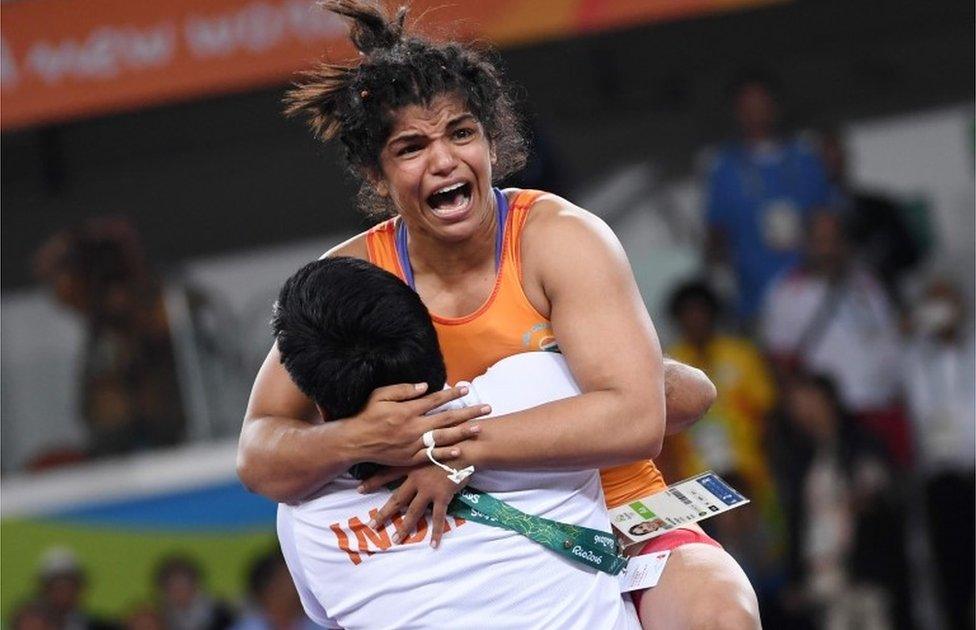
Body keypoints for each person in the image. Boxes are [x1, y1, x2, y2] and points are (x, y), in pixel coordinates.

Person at [238, 2, 759, 627]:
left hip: (621, 511)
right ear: (377, 176)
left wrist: (449, 451)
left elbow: (638, 419)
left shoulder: (558, 236)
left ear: (491, 142)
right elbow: (259, 453)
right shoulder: (352, 278)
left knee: (721, 614)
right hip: (475, 540)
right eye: (411, 147)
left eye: (461, 133)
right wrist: (364, 438)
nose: (444, 160)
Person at [273, 256, 641, 628]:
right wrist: (459, 446)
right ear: (434, 343)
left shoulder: (304, 517)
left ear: (318, 403)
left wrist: (458, 451)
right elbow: (665, 400)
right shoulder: (538, 386)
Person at [760, 211, 908, 466]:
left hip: (881, 405)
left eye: (834, 240)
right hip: (835, 418)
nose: (828, 249)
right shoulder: (789, 293)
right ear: (807, 244)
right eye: (820, 241)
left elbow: (889, 340)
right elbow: (781, 364)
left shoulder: (868, 285)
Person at [34, 218, 186, 458]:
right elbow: (48, 271)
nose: (116, 295)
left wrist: (128, 251)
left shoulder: (153, 296)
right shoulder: (92, 300)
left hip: (162, 425)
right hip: (111, 437)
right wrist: (80, 238)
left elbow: (173, 321)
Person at [773, 373, 909, 630]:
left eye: (806, 401)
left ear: (826, 400)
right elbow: (798, 521)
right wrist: (796, 576)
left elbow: (880, 493)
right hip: (824, 577)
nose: (801, 411)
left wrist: (865, 498)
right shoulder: (800, 459)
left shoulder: (861, 443)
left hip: (865, 572)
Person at [704, 72, 830, 321]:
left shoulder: (805, 158)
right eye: (747, 107)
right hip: (757, 300)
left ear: (775, 106)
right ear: (736, 112)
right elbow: (716, 236)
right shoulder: (725, 169)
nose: (756, 113)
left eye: (761, 104)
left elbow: (826, 221)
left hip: (814, 294)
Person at [902, 279, 975, 630]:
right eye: (933, 303)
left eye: (947, 302)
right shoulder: (913, 358)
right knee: (953, 573)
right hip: (942, 479)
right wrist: (911, 329)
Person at [230, 549, 317, 630]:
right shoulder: (247, 627)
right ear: (268, 589)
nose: (293, 588)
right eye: (283, 582)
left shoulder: (318, 623)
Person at [153, 554, 236, 630]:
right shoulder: (159, 618)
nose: (179, 592)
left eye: (183, 585)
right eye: (172, 588)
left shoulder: (222, 614)